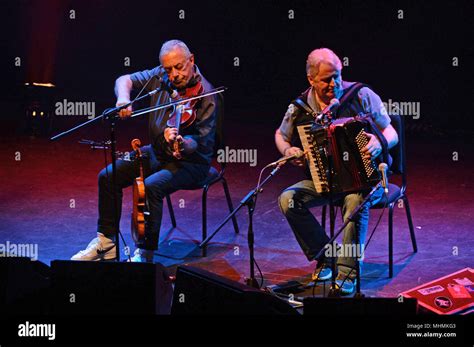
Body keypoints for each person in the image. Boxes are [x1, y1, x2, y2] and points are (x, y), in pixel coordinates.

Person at [72, 40, 219, 262]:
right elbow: (124, 80)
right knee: (108, 176)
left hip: (192, 163)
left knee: (151, 187)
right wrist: (123, 98)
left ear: (191, 60)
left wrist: (181, 141)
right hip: (159, 152)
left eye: (179, 67)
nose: (174, 75)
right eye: (169, 69)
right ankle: (106, 242)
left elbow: (200, 143)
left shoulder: (206, 96)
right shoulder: (160, 75)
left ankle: (146, 252)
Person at [275, 48, 398, 295]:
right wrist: (288, 151)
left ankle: (347, 273)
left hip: (365, 181)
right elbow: (280, 134)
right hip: (325, 181)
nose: (334, 83)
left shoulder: (361, 95)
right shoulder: (300, 106)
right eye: (326, 79)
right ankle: (326, 257)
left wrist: (378, 142)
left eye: (338, 76)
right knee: (288, 199)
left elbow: (391, 132)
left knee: (355, 202)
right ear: (311, 79)